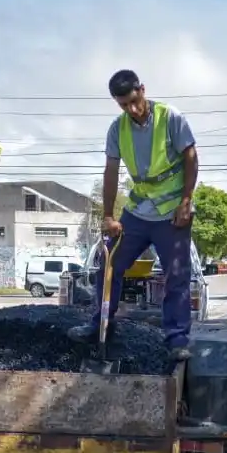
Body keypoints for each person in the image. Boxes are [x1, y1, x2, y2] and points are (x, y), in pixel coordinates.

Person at [67, 69, 199, 362]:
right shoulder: (117, 129)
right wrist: (110, 216)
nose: (132, 109)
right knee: (109, 263)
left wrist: (186, 201)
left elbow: (191, 156)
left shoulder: (170, 117)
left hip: (171, 213)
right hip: (138, 212)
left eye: (135, 101)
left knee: (176, 275)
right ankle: (100, 324)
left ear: (143, 89)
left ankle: (177, 339)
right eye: (124, 105)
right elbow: (111, 171)